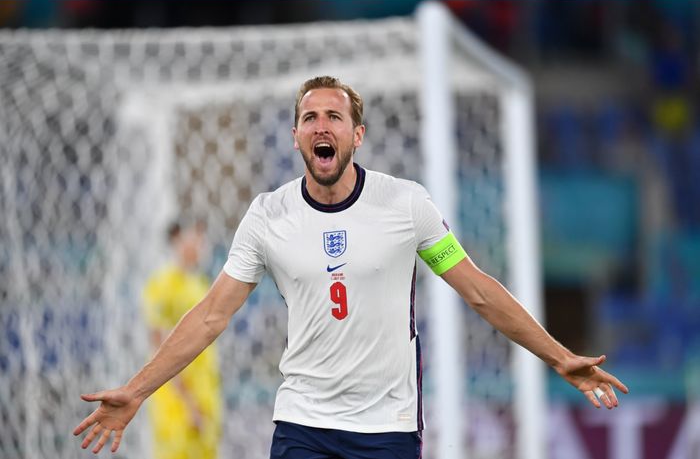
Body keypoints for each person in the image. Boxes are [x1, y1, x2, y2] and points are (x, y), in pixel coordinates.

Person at [74, 76, 628, 459]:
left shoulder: (406, 205)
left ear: (356, 135)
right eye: (309, 117)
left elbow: (478, 291)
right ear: (295, 136)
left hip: (386, 427)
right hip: (302, 422)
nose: (322, 126)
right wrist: (139, 390)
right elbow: (212, 315)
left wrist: (559, 358)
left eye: (334, 116)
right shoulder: (267, 215)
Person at [141, 220, 221, 459]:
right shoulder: (162, 284)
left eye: (201, 239)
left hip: (204, 394)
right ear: (176, 241)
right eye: (193, 239)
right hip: (176, 403)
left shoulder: (200, 284)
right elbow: (159, 347)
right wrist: (188, 403)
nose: (199, 246)